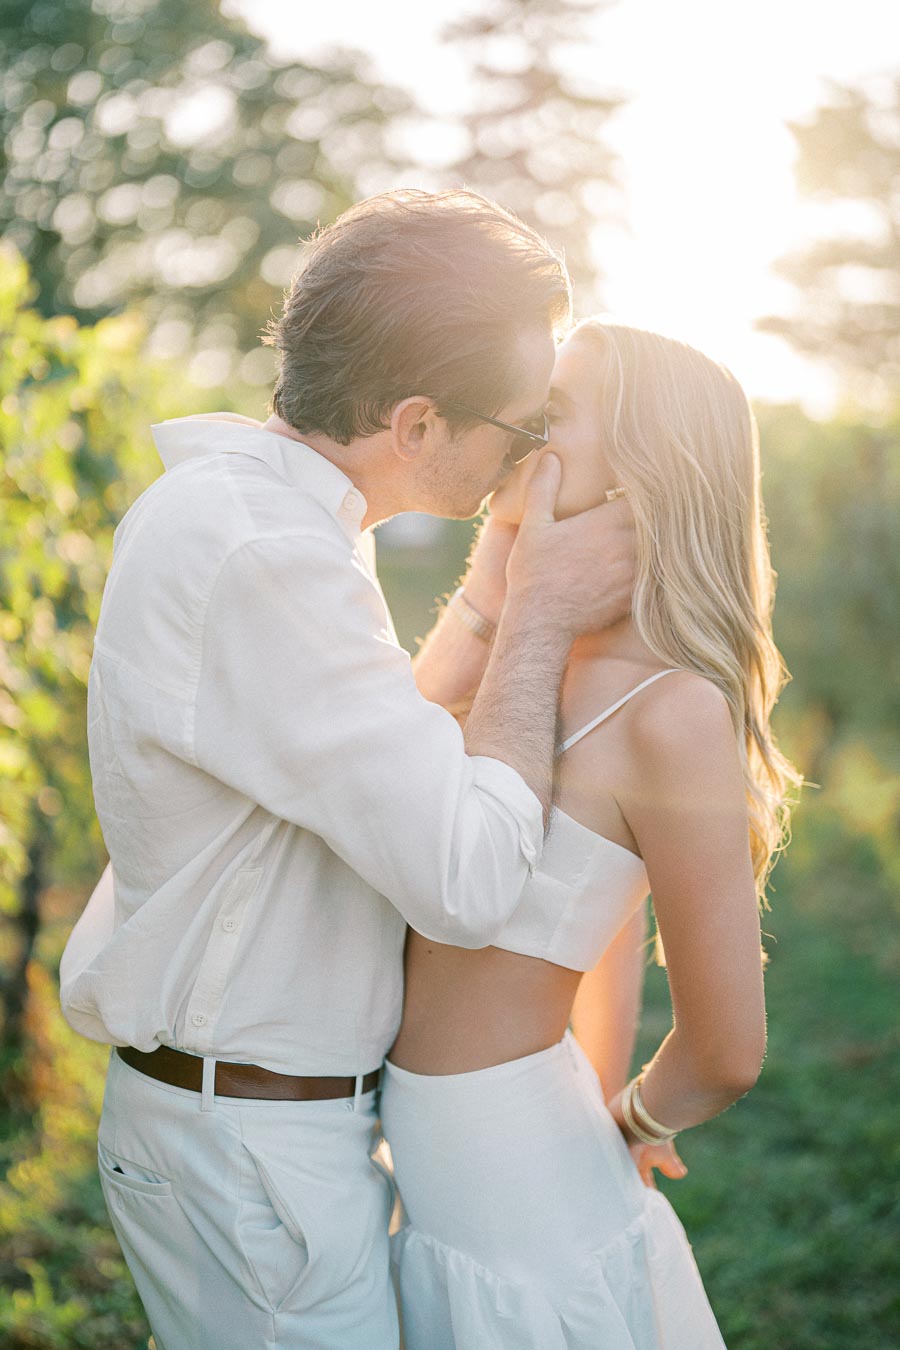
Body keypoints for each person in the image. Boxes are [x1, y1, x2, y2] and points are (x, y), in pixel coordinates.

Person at [58, 191, 636, 1350]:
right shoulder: (270, 553)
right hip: (248, 1152)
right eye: (518, 425)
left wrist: (493, 595)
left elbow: (355, 757)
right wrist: (538, 614)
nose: (524, 454)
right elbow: (467, 875)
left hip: (248, 1131)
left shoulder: (255, 517)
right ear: (416, 424)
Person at [381, 318, 802, 1349]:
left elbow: (727, 1051)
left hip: (523, 1194)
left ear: (644, 467)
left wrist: (629, 1123)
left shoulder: (674, 709)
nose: (519, 428)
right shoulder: (539, 656)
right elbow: (597, 920)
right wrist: (501, 579)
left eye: (554, 412)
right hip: (434, 1167)